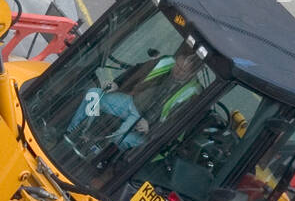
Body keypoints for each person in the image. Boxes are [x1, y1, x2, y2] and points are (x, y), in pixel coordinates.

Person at [67, 42, 203, 151]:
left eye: (182, 71)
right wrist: (116, 83)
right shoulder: (165, 62)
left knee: (121, 137)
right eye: (177, 66)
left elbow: (177, 123)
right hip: (132, 104)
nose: (176, 71)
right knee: (94, 94)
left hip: (148, 123)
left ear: (192, 74)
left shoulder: (192, 94)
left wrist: (151, 128)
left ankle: (95, 153)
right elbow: (138, 69)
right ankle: (72, 133)